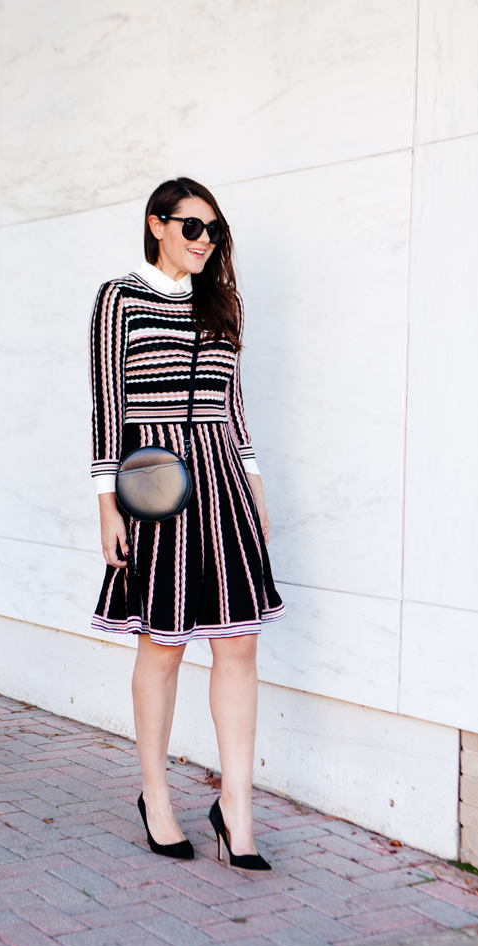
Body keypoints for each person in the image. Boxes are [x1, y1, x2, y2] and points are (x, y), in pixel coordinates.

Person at [89, 177, 285, 871]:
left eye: (214, 230)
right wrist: (106, 504)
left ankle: (236, 810)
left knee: (238, 645)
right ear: (158, 224)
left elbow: (234, 407)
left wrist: (254, 489)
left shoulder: (223, 301)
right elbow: (107, 405)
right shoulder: (120, 298)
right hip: (157, 486)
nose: (205, 240)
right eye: (192, 227)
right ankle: (156, 798)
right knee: (163, 647)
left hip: (224, 480)